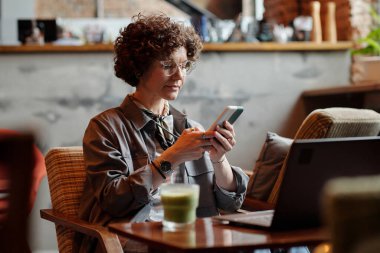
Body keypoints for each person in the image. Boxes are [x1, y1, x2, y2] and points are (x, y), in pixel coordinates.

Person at [75, 13, 248, 252]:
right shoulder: (105, 127)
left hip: (193, 236)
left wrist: (219, 158)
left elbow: (229, 202)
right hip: (137, 237)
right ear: (139, 67)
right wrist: (172, 157)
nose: (179, 76)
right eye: (167, 66)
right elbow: (113, 201)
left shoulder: (190, 127)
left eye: (184, 66)